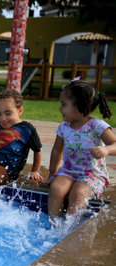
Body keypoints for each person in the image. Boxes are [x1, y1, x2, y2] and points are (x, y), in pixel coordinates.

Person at [48, 79, 116, 221]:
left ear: (80, 106)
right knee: (56, 189)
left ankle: (70, 228)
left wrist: (107, 150)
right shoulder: (64, 126)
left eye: (64, 104)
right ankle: (54, 226)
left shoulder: (97, 125)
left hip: (92, 174)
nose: (60, 109)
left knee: (78, 194)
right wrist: (53, 173)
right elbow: (56, 150)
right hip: (69, 171)